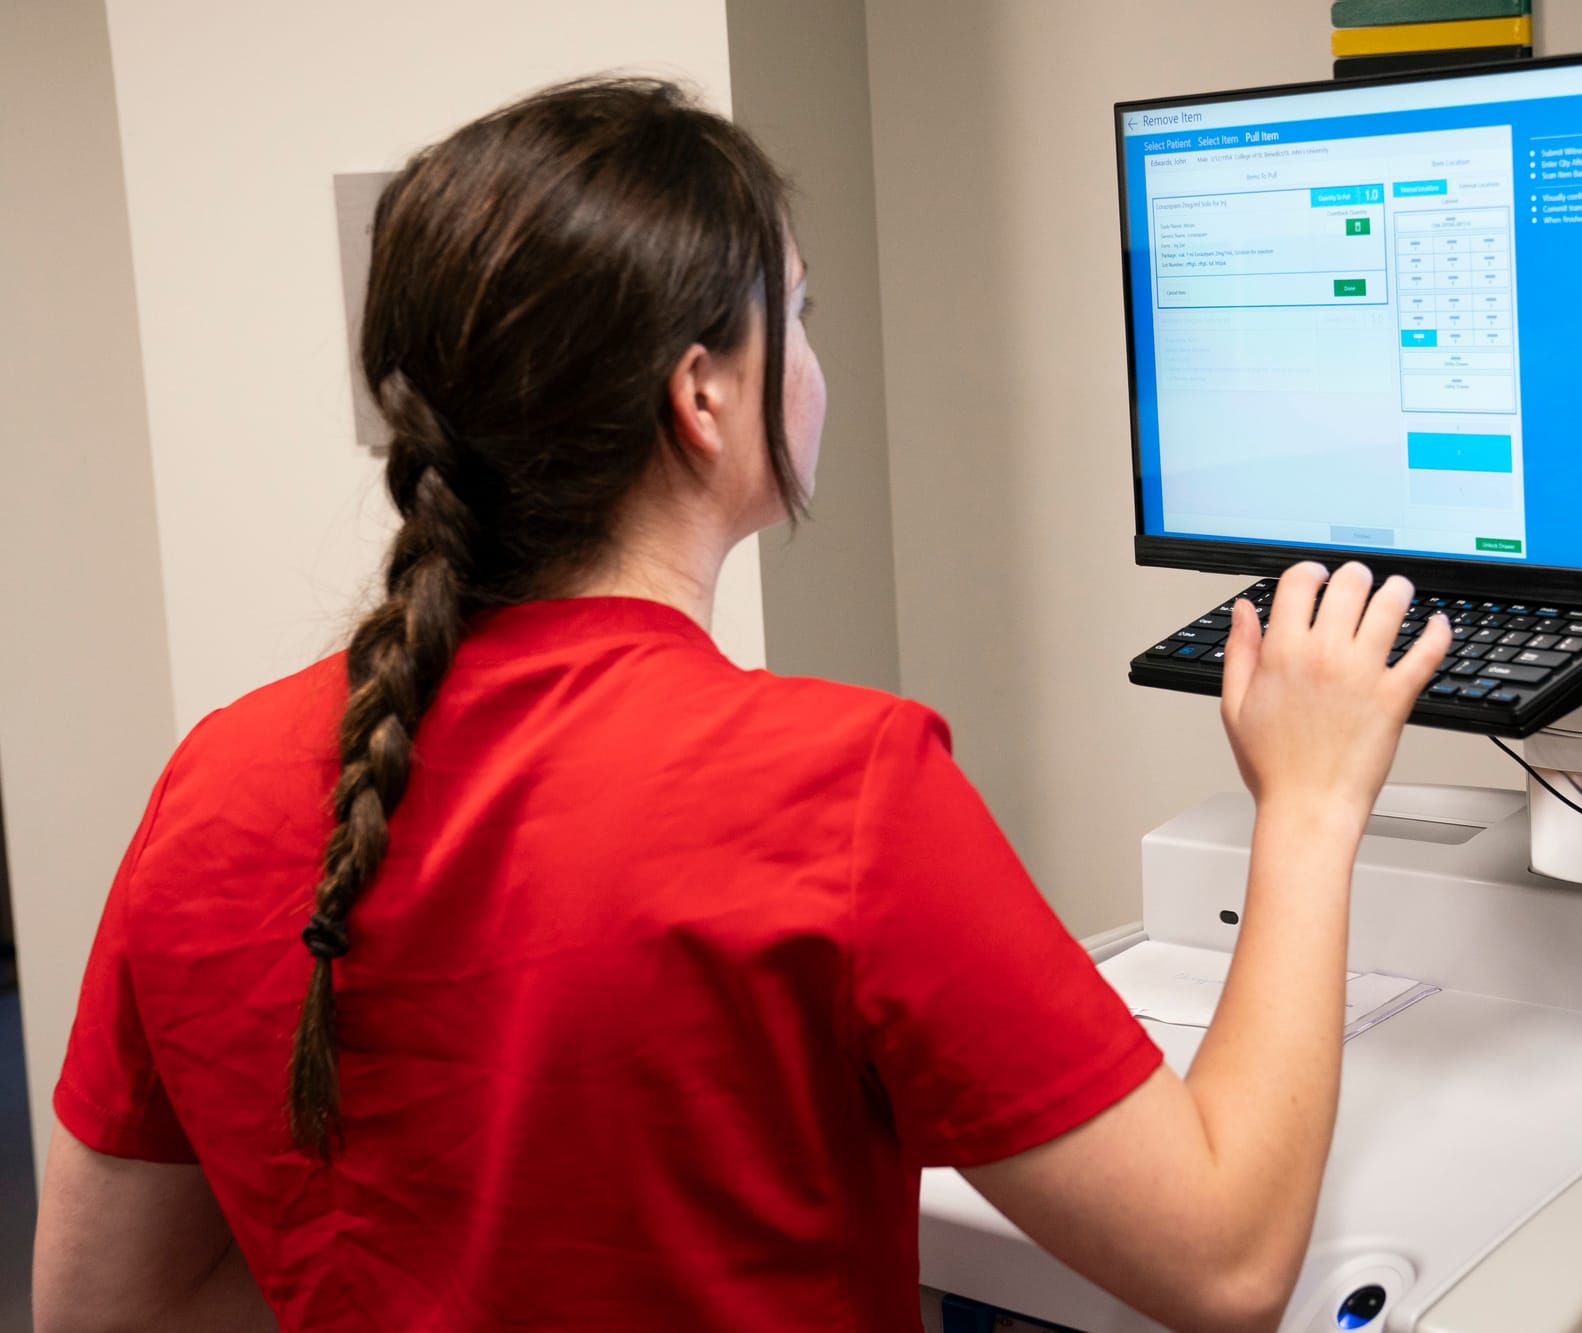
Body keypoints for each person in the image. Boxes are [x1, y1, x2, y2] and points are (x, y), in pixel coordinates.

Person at [32, 79, 1449, 1333]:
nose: (816, 366)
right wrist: (1311, 799)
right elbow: (1226, 1262)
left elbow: (109, 1306)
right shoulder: (838, 788)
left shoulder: (211, 780)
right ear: (703, 393)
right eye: (803, 315)